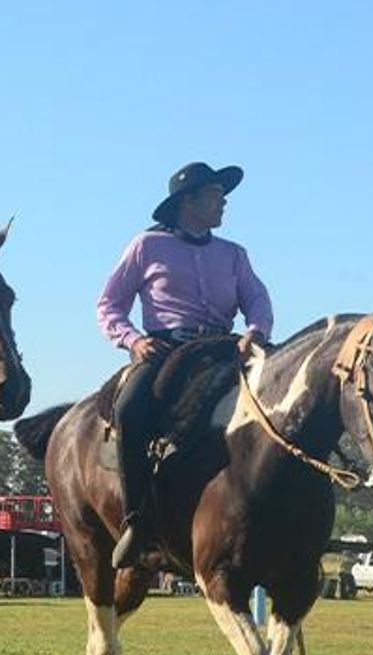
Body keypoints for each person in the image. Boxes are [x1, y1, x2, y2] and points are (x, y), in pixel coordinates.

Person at [96, 161, 274, 569]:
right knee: (130, 410)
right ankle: (137, 522)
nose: (223, 201)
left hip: (226, 349)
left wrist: (257, 331)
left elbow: (258, 300)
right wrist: (134, 340)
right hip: (165, 351)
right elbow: (109, 305)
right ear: (186, 201)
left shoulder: (234, 255)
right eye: (215, 193)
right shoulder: (146, 246)